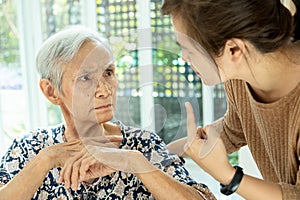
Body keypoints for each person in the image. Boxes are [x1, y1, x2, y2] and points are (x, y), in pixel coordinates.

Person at [0, 26, 216, 200]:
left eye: (108, 73)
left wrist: (135, 163)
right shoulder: (30, 150)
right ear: (51, 91)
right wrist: (47, 160)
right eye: (85, 78)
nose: (105, 90)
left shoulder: (143, 145)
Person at [161, 0, 300, 200]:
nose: (183, 57)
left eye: (189, 48)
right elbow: (236, 128)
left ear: (233, 50)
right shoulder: (240, 74)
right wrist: (157, 154)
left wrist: (228, 175)